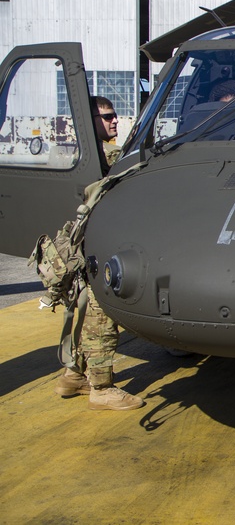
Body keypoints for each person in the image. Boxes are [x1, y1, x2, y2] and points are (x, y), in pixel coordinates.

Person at [53, 97, 144, 411]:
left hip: (77, 247)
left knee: (81, 309)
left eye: (114, 116)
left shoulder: (68, 154)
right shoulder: (109, 156)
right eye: (106, 117)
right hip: (99, 247)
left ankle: (73, 375)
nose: (114, 122)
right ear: (87, 121)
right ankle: (102, 388)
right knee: (100, 315)